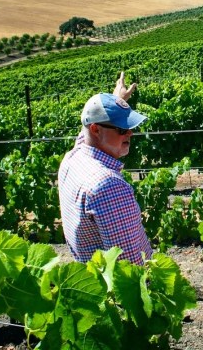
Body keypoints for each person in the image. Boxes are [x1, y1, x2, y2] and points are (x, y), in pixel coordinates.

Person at [58, 72, 152, 265]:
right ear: (95, 129)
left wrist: (116, 101)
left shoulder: (72, 158)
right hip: (121, 293)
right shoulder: (108, 187)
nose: (130, 133)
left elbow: (84, 134)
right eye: (121, 128)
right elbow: (130, 268)